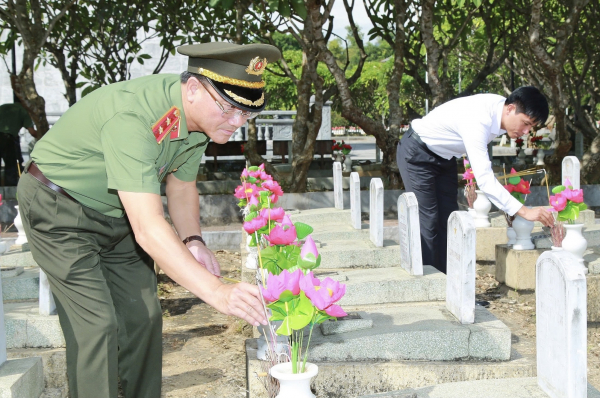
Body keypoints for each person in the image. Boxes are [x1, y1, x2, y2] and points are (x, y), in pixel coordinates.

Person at [17, 42, 281, 398]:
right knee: (96, 326)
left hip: (119, 214)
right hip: (59, 210)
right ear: (192, 89)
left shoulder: (201, 121)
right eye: (229, 109)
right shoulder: (134, 117)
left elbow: (181, 184)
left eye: (247, 114)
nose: (237, 123)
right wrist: (217, 292)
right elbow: (148, 227)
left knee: (143, 318)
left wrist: (194, 242)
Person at [396, 86, 554, 274]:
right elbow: (485, 179)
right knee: (428, 221)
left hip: (444, 158)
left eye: (531, 127)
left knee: (449, 220)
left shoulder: (501, 111)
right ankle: (429, 286)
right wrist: (523, 211)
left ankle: (450, 286)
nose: (527, 131)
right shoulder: (479, 119)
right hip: (417, 154)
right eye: (525, 123)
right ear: (510, 109)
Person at [0, 100, 37, 185]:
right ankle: (10, 191)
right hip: (7, 139)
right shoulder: (23, 111)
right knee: (11, 167)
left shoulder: (3, 107)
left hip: (6, 137)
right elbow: (32, 132)